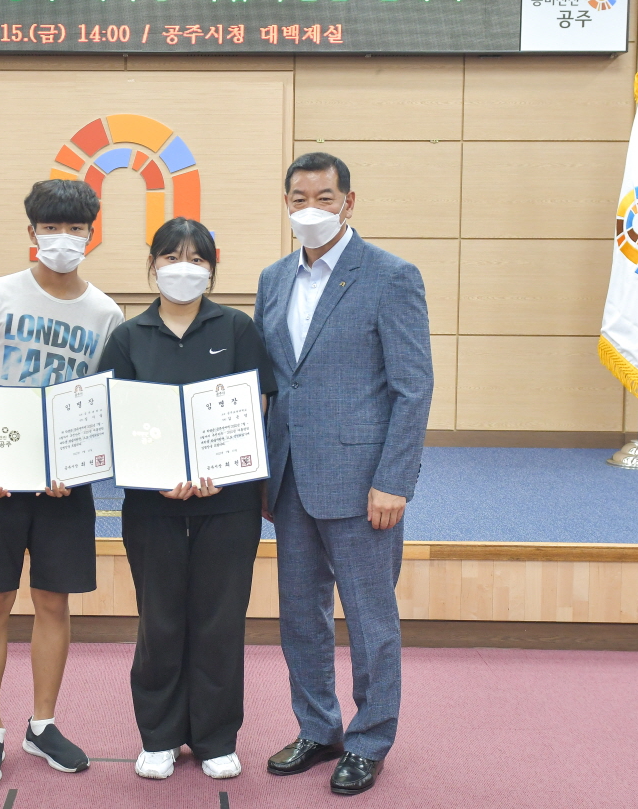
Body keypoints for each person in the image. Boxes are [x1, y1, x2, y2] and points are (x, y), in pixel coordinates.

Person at [253, 153, 433, 796]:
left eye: (324, 198)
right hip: (289, 478)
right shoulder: (273, 279)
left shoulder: (390, 276)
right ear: (286, 203)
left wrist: (396, 480)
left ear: (348, 202)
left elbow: (413, 388)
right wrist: (259, 471)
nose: (311, 210)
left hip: (363, 483)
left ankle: (370, 740)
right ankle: (317, 728)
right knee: (300, 616)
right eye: (299, 198)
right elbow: (272, 384)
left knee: (369, 619)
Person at [0, 179, 125, 788]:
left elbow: (100, 402)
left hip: (63, 484)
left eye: (75, 228)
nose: (63, 238)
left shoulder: (106, 313)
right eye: (51, 228)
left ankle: (43, 724)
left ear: (91, 235)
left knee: (54, 602)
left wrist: (76, 467)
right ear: (32, 233)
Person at [97, 217, 277, 782]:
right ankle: (159, 737)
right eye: (171, 257)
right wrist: (156, 475)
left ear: (212, 269)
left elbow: (257, 406)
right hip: (153, 506)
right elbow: (116, 418)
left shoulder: (238, 328)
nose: (184, 268)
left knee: (220, 621)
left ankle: (216, 738)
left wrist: (226, 468)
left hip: (229, 504)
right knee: (161, 621)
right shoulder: (129, 336)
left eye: (197, 259)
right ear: (152, 266)